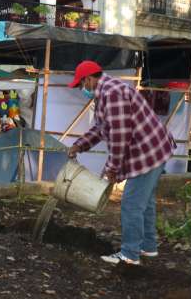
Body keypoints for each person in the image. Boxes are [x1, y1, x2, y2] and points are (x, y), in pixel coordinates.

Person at [67, 61, 176, 266]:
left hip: (147, 153)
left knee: (131, 204)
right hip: (155, 148)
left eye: (82, 84)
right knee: (146, 201)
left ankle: (130, 255)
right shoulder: (106, 93)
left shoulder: (112, 94)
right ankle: (148, 247)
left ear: (89, 78)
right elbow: (101, 128)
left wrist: (112, 169)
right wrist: (79, 146)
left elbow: (120, 136)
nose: (82, 89)